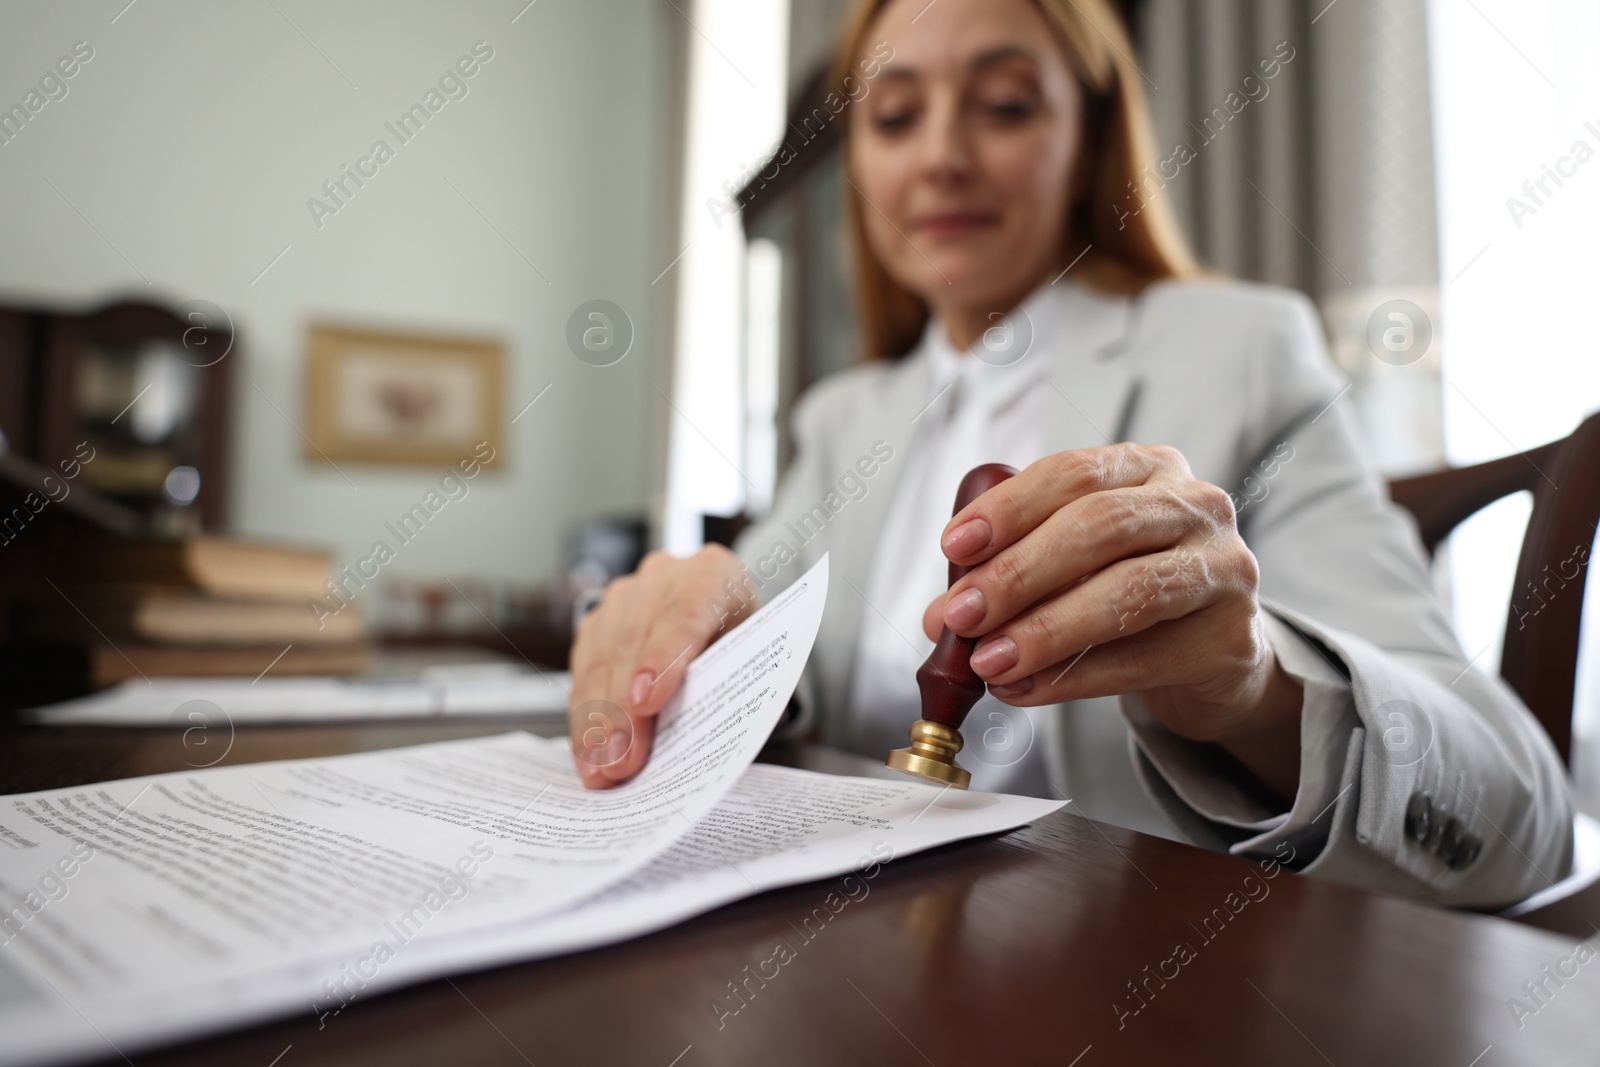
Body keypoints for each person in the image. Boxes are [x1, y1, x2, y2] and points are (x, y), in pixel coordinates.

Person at [566, 0, 1573, 907]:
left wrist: (1255, 687)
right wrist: (692, 623)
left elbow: (1523, 816)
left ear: (1088, 140)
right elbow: (755, 631)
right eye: (892, 114)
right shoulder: (843, 417)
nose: (941, 157)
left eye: (1004, 105)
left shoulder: (1245, 351)